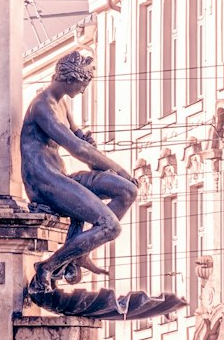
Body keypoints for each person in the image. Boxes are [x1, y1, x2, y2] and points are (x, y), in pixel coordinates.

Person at [19, 50, 137, 293]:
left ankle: (80, 253)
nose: (83, 91)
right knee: (110, 226)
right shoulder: (42, 106)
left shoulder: (61, 103)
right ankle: (47, 267)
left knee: (127, 191)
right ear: (70, 79)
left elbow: (80, 139)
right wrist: (118, 169)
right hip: (44, 182)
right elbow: (76, 148)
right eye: (83, 84)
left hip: (59, 176)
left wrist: (94, 151)